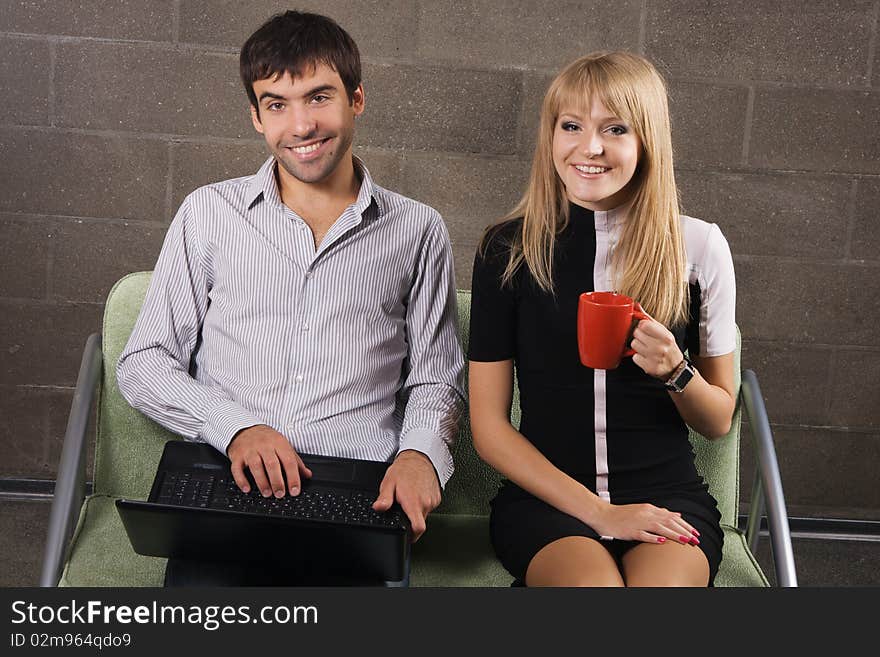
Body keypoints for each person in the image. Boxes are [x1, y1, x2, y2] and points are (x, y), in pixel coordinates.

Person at [117, 10, 464, 585]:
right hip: (227, 477)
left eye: (318, 97)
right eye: (277, 104)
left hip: (360, 490)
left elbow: (435, 378)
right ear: (256, 117)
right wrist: (235, 428)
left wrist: (420, 455)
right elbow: (144, 364)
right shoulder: (208, 212)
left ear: (356, 99)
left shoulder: (419, 229)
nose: (300, 125)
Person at [467, 51, 737, 587]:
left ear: (646, 141)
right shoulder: (508, 249)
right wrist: (602, 513)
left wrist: (676, 370)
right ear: (550, 137)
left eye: (614, 128)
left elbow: (718, 419)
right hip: (548, 502)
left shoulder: (700, 245)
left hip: (666, 494)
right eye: (571, 126)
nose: (589, 148)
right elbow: (489, 429)